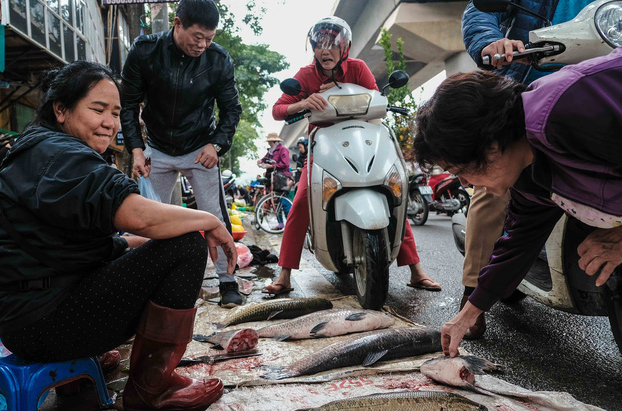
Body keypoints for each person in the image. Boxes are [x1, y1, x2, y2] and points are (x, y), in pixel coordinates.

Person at [0, 61, 237, 410]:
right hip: (44, 324)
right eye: (98, 110)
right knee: (187, 242)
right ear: (61, 109)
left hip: (23, 321)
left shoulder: (38, 148)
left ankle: (82, 364)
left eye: (115, 113)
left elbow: (70, 245)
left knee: (153, 243)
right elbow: (138, 215)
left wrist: (138, 246)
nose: (110, 123)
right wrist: (208, 220)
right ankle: (151, 390)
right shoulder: (59, 155)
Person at [413, 48, 622, 357]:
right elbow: (517, 244)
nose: (466, 184)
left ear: (491, 147)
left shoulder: (570, 111)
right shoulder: (528, 175)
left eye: (461, 171)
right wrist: (466, 316)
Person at [264, 16, 441, 296]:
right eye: (320, 44)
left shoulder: (357, 68)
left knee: (393, 192)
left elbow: (375, 98)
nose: (326, 50)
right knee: (302, 200)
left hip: (364, 140)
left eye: (332, 44)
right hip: (324, 147)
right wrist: (304, 101)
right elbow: (278, 109)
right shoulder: (306, 75)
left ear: (344, 47)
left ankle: (416, 271)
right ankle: (284, 274)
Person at [459, 0, 596, 339]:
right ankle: (473, 292)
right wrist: (490, 41)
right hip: (525, 97)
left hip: (594, 92)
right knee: (492, 185)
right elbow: (480, 12)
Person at [120, 0, 243, 307]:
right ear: (177, 23)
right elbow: (128, 105)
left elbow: (231, 109)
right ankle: (141, 282)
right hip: (157, 149)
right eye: (197, 37)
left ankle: (227, 281)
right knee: (143, 218)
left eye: (209, 38)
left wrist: (216, 145)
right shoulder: (145, 52)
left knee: (213, 216)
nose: (202, 45)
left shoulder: (218, 60)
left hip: (200, 149)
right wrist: (136, 148)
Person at [257, 132, 293, 229]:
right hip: (273, 178)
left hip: (282, 178)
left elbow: (285, 164)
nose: (269, 144)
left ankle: (290, 225)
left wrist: (272, 166)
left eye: (270, 142)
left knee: (284, 202)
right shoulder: (271, 151)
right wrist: (261, 161)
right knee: (276, 202)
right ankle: (280, 224)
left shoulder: (283, 149)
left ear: (274, 141)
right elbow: (265, 159)